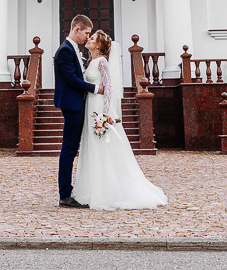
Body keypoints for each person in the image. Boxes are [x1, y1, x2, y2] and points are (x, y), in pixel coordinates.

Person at [71, 30, 168, 210]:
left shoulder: (102, 62)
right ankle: (93, 188)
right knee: (93, 146)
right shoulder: (91, 61)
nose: (88, 39)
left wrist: (107, 111)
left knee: (103, 146)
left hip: (99, 107)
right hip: (90, 105)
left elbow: (109, 87)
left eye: (92, 38)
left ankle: (108, 190)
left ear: (98, 46)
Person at [53, 14, 102, 207]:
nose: (87, 37)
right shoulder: (65, 51)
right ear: (77, 30)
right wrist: (96, 89)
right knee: (69, 150)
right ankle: (65, 194)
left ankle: (70, 191)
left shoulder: (73, 49)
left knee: (72, 149)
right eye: (86, 33)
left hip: (77, 103)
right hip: (72, 104)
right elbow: (71, 80)